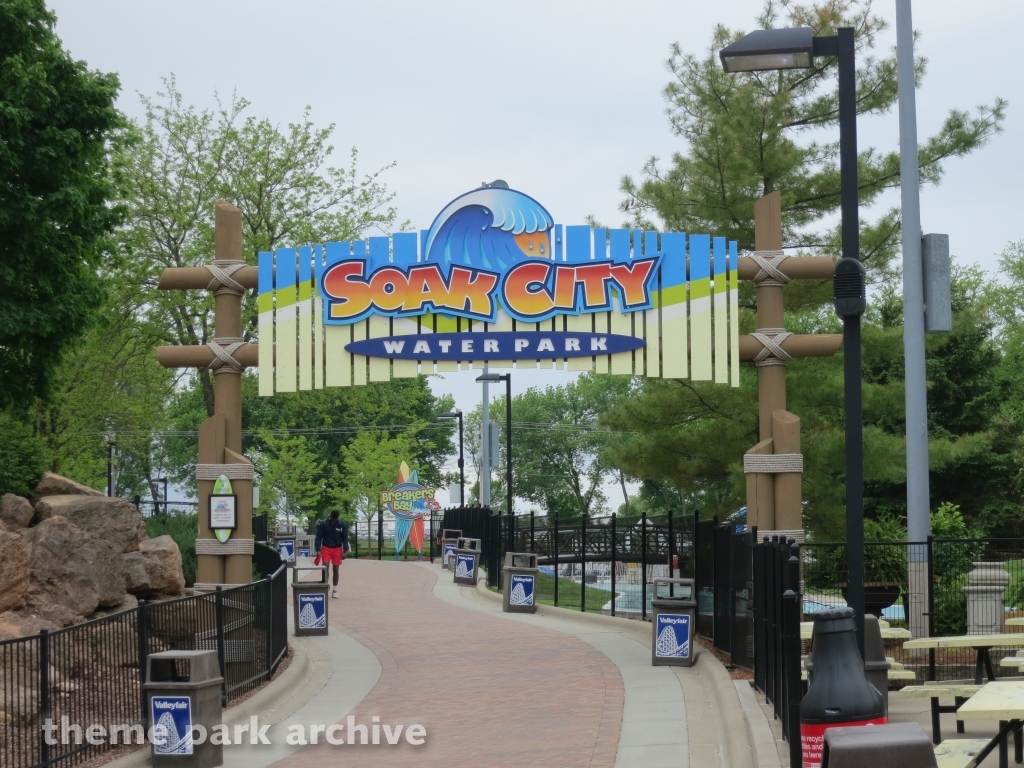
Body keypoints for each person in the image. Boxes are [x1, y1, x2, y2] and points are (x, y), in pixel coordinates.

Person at [315, 510, 349, 598]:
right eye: (333, 519)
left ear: (337, 518)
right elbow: (318, 536)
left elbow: (345, 537)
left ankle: (335, 590)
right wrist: (318, 549)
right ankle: (325, 586)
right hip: (326, 547)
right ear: (330, 517)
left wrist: (345, 550)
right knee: (325, 566)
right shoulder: (324, 524)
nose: (334, 520)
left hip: (337, 548)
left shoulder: (341, 524)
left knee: (336, 569)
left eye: (336, 519)